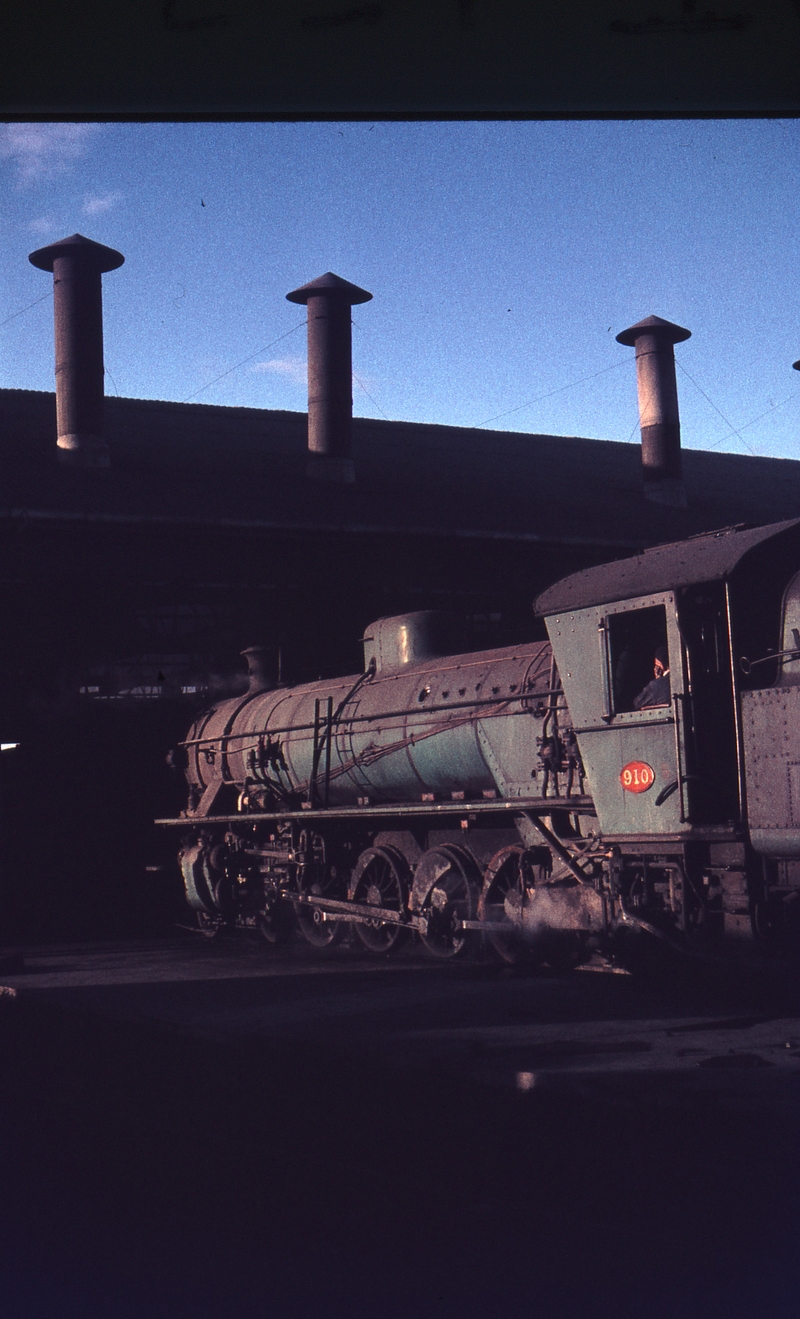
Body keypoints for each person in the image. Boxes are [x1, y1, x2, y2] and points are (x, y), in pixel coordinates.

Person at [633, 646, 671, 710]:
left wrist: (658, 680)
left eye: (656, 665)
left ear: (661, 665)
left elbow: (637, 703)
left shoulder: (655, 685)